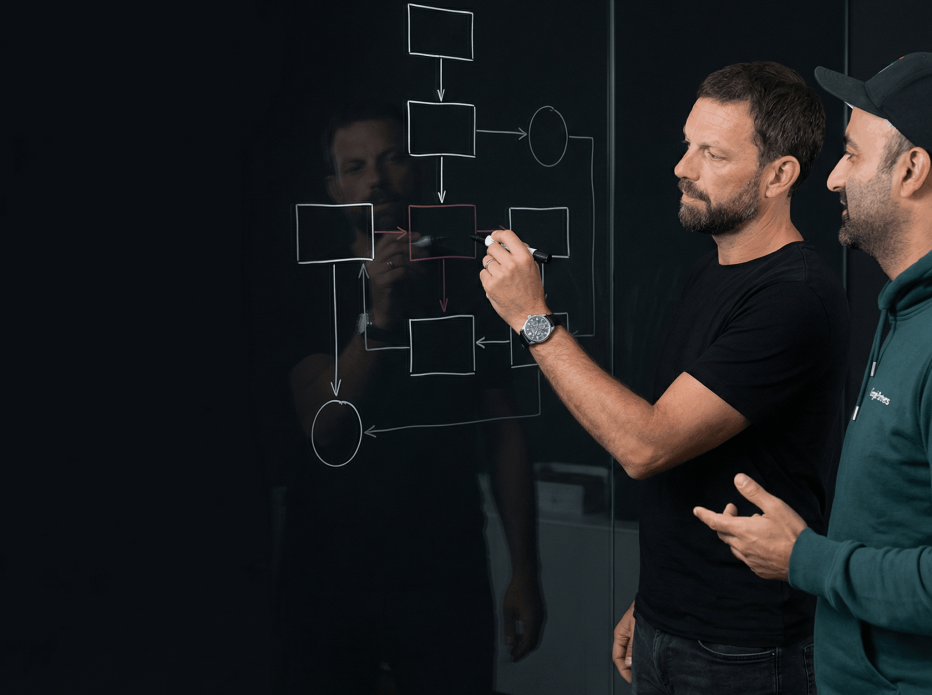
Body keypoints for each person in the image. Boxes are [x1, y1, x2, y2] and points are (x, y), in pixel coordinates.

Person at [479, 62, 849, 693]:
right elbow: (692, 469)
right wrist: (652, 604)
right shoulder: (714, 270)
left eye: (712, 153)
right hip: (668, 624)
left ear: (779, 176)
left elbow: (647, 446)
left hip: (743, 651)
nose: (683, 166)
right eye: (687, 144)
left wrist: (533, 319)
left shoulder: (793, 298)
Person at [279, 101, 544, 694]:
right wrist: (380, 315)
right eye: (355, 167)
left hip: (444, 575)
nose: (376, 179)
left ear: (416, 171)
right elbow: (326, 428)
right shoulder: (305, 283)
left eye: (391, 159)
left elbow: (504, 433)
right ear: (334, 188)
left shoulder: (474, 282)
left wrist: (525, 571)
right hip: (327, 579)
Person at [694, 52, 932, 694]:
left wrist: (806, 559)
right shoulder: (905, 312)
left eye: (852, 154)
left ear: (911, 169)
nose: (832, 180)